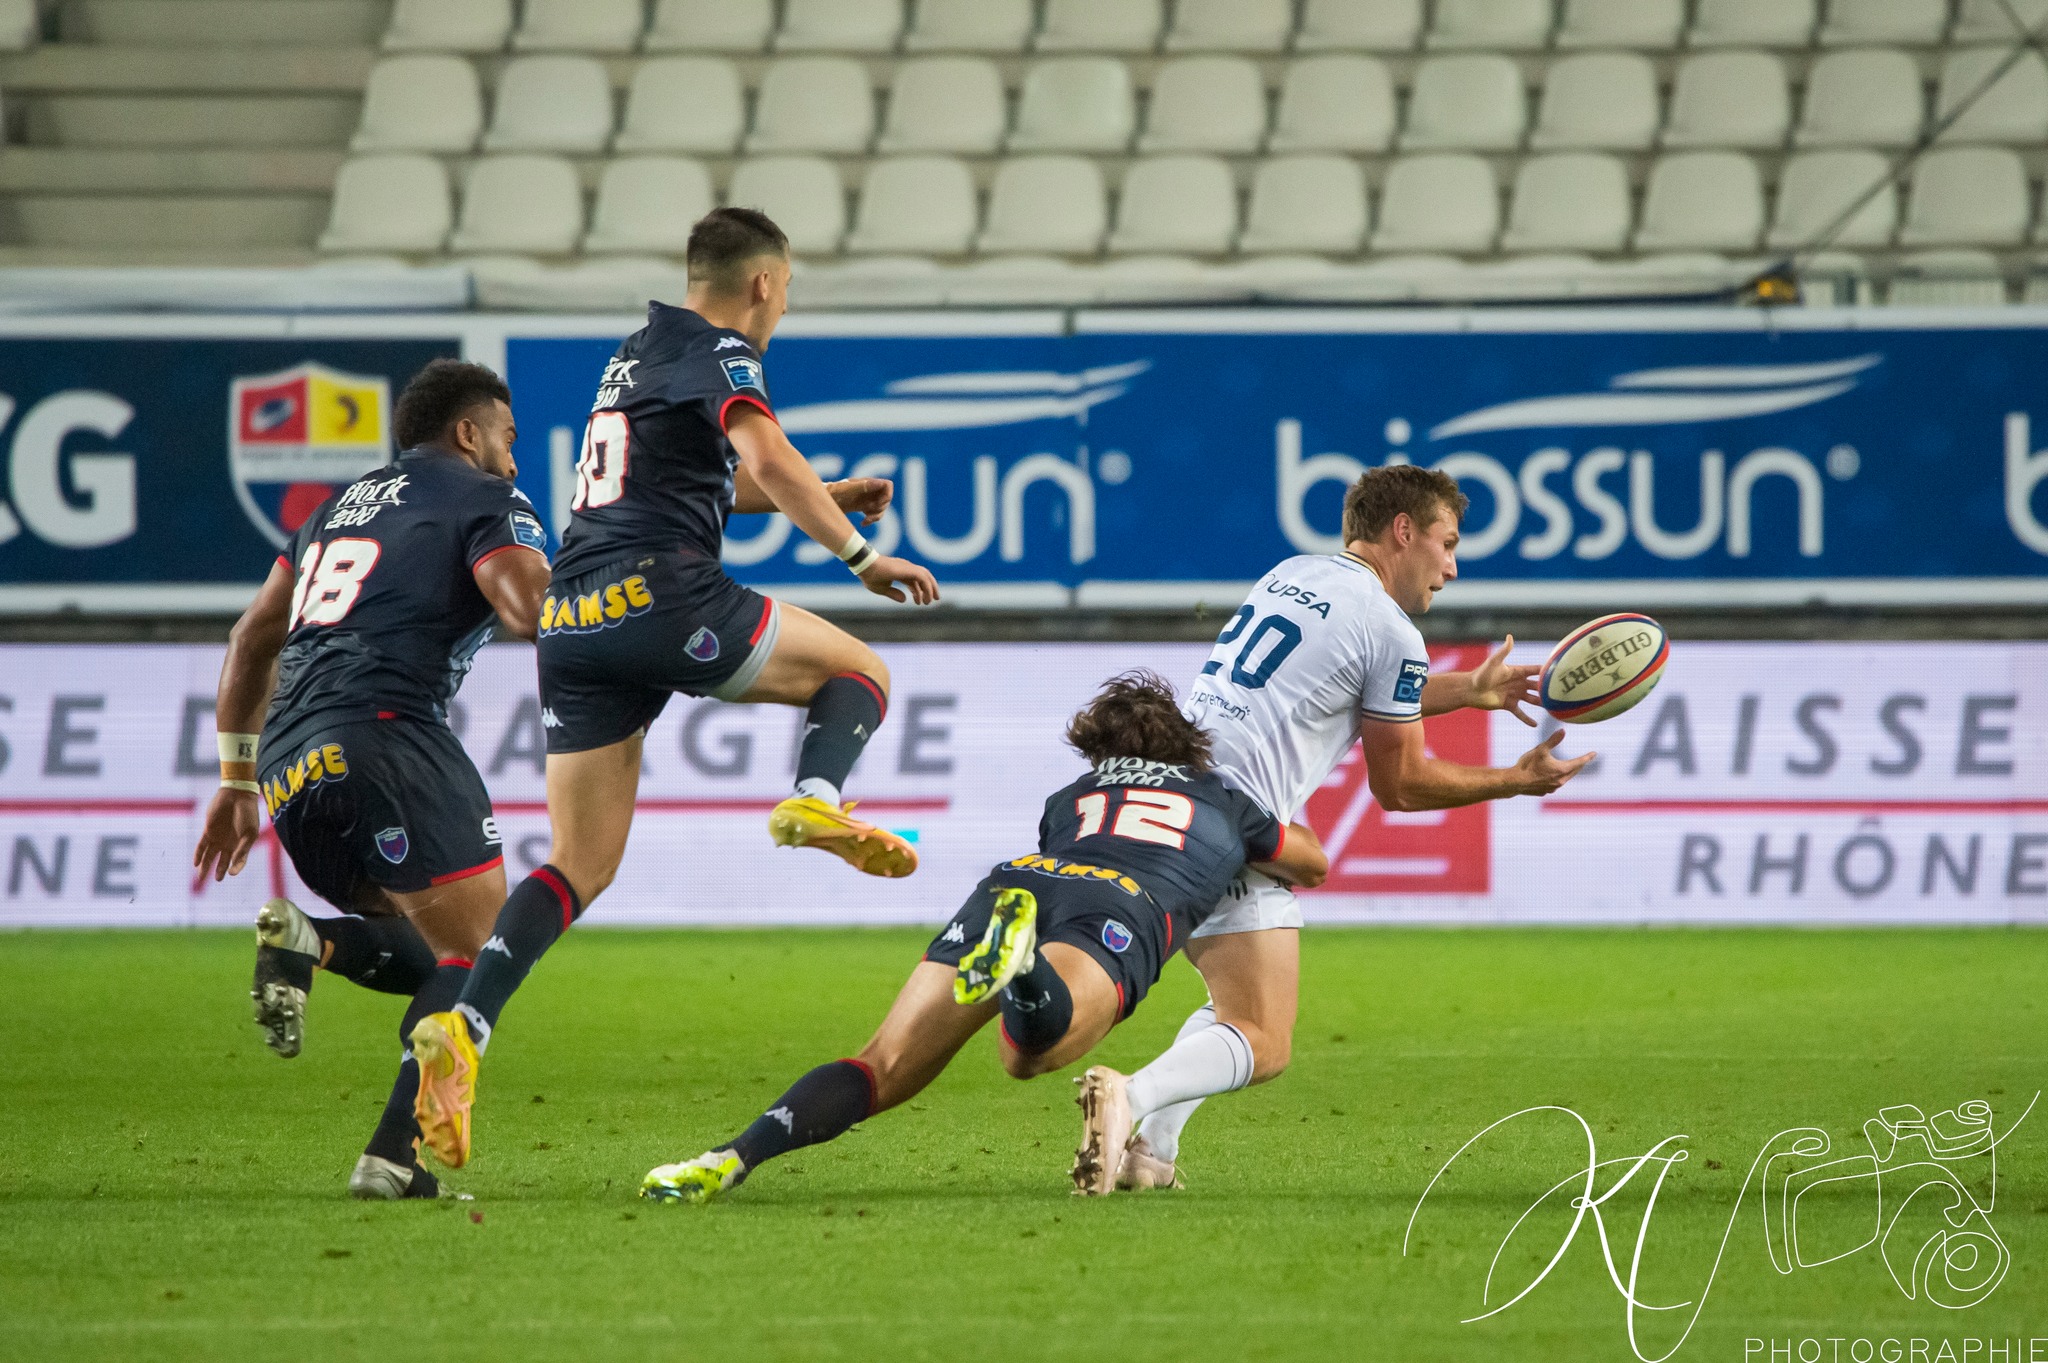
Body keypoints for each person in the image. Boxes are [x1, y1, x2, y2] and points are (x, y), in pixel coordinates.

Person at [409, 207, 942, 1171]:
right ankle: (817, 800)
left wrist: (827, 491)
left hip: (573, 618)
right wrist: (859, 552)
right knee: (861, 669)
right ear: (766, 283)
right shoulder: (726, 352)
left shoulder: (638, 352)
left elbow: (702, 480)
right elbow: (766, 459)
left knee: (577, 862)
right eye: (787, 291)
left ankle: (467, 1025)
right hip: (662, 592)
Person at [638, 670, 1330, 1203]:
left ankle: (729, 1157)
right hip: (1120, 903)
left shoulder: (1069, 798)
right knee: (1029, 1055)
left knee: (880, 1064)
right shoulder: (1221, 797)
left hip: (1022, 877)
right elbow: (1310, 861)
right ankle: (1022, 964)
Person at [1094, 464, 1595, 1193]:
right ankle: (1128, 1098)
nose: (1451, 568)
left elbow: (1348, 686)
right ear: (1403, 531)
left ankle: (1150, 1152)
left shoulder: (1294, 574)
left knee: (1236, 1004)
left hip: (1156, 796)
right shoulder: (1392, 628)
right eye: (1446, 543)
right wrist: (1518, 780)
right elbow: (1400, 785)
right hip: (1235, 825)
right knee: (1263, 1039)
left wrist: (1470, 691)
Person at [191, 359, 551, 1199]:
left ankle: (309, 942)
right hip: (389, 729)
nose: (515, 459)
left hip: (289, 760)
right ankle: (395, 1154)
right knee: (484, 947)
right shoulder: (488, 500)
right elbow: (531, 612)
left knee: (434, 950)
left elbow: (251, 639)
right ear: (468, 432)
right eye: (508, 437)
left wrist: (237, 783)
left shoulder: (334, 511)